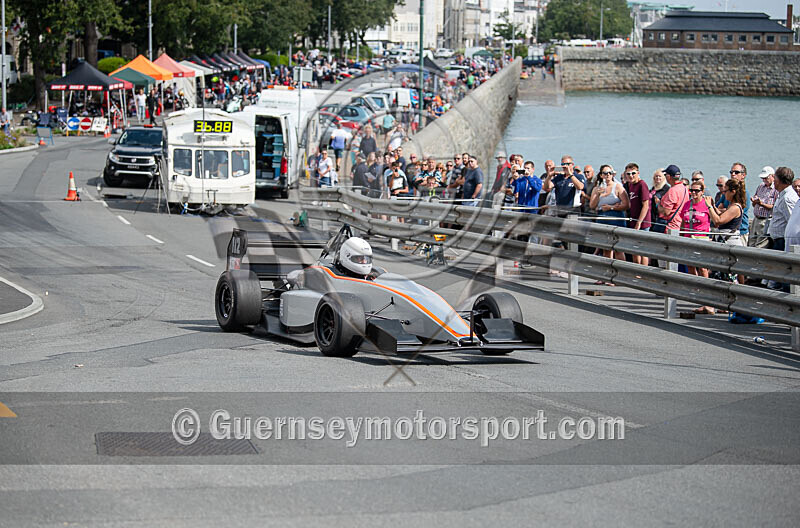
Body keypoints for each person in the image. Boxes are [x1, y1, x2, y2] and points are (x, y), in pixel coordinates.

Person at [681, 181, 714, 313]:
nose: (693, 193)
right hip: (689, 240)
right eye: (691, 191)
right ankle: (698, 296)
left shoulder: (706, 205)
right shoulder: (687, 205)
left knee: (703, 270)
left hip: (702, 240)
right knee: (691, 268)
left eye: (696, 191)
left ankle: (707, 301)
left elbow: (715, 219)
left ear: (702, 191)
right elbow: (683, 222)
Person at [589, 164, 629, 256]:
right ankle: (607, 269)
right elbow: (592, 205)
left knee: (618, 249)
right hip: (602, 219)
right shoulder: (596, 189)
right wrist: (598, 195)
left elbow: (626, 205)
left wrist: (611, 207)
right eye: (605, 173)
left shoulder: (618, 186)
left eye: (610, 173)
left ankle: (621, 269)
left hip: (616, 219)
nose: (608, 175)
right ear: (601, 175)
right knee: (605, 249)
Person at [705, 178, 746, 247]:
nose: (723, 194)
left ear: (733, 192)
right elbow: (722, 215)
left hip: (731, 242)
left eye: (725, 191)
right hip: (723, 241)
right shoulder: (731, 205)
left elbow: (718, 220)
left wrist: (709, 206)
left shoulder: (735, 207)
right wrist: (714, 206)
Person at [624, 163, 651, 266]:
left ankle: (643, 272)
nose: (631, 176)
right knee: (634, 249)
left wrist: (639, 222)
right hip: (632, 220)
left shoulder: (642, 184)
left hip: (642, 223)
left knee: (642, 250)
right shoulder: (630, 185)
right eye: (628, 174)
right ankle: (637, 272)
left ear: (638, 173)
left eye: (633, 173)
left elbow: (646, 205)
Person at [766, 166, 798, 253]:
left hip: (782, 241)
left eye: (775, 178)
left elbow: (792, 222)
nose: (773, 181)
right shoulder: (782, 195)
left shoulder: (787, 198)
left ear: (779, 180)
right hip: (776, 240)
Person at [749, 166, 779, 249]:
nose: (764, 180)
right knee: (751, 242)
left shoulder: (775, 189)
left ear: (772, 176)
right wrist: (755, 202)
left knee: (760, 244)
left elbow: (774, 207)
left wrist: (761, 203)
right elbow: (754, 202)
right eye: (763, 178)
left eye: (766, 178)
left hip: (766, 219)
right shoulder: (760, 186)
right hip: (756, 218)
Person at [656, 164, 689, 234]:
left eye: (665, 175)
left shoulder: (672, 190)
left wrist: (658, 204)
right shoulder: (684, 188)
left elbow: (666, 212)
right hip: (679, 224)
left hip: (669, 226)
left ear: (668, 177)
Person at [650, 169, 671, 234]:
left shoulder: (666, 189)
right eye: (656, 176)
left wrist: (658, 203)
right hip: (651, 216)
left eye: (659, 176)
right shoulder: (653, 188)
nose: (658, 178)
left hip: (660, 218)